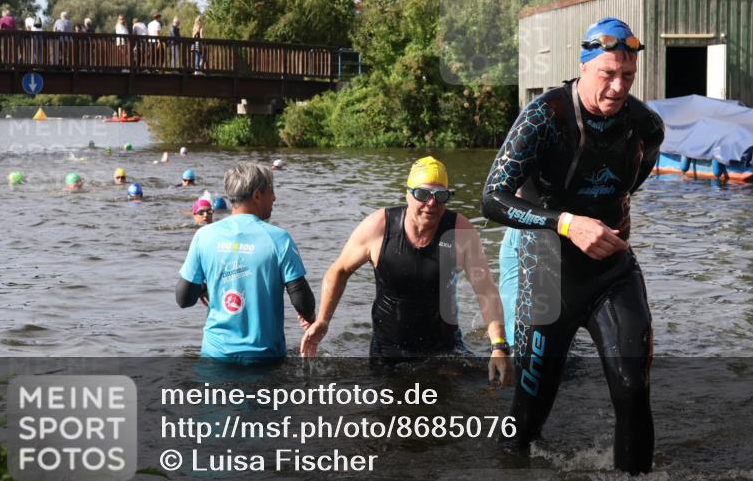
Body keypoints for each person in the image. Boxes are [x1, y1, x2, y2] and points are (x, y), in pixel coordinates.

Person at [480, 17, 663, 475]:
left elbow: (629, 185)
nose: (618, 87)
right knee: (530, 409)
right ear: (583, 67)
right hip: (547, 274)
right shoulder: (545, 117)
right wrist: (566, 223)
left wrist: (604, 226)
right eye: (607, 74)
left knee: (632, 387)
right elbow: (492, 198)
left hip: (611, 272)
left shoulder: (647, 126)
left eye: (627, 76)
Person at [301, 157, 513, 386]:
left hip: (444, 353)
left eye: (440, 196)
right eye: (422, 194)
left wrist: (499, 346)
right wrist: (323, 320)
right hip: (387, 352)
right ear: (408, 195)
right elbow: (338, 271)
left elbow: (486, 290)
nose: (431, 204)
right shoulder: (379, 226)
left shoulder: (460, 231)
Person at [176, 162, 315, 362]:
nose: (274, 198)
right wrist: (311, 319)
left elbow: (183, 299)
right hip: (264, 360)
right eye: (271, 191)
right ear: (257, 195)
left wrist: (203, 287)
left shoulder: (204, 236)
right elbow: (301, 300)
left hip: (215, 357)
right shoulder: (279, 239)